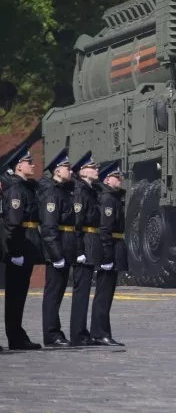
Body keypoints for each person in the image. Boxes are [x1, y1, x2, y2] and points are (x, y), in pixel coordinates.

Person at [1, 144, 43, 350]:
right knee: (15, 296)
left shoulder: (26, 187)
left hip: (25, 246)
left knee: (19, 296)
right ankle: (15, 336)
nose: (33, 165)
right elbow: (12, 224)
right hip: (18, 247)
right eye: (29, 162)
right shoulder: (16, 190)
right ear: (18, 167)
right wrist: (14, 252)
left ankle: (17, 335)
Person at [39, 147, 75, 347]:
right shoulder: (52, 194)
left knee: (58, 293)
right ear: (57, 170)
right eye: (66, 167)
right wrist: (56, 255)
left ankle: (55, 332)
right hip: (57, 250)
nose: (70, 170)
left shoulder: (63, 192)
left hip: (65, 248)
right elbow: (49, 227)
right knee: (53, 294)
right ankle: (51, 334)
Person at [91, 160, 128, 346]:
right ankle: (100, 333)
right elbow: (105, 229)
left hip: (114, 245)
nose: (119, 179)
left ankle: (101, 331)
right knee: (103, 294)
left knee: (107, 293)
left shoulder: (113, 197)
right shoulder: (107, 199)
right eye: (116, 176)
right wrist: (107, 256)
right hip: (109, 248)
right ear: (107, 180)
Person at [69, 151, 101, 346]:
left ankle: (81, 332)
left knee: (84, 291)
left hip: (90, 243)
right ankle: (77, 334)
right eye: (93, 167)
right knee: (81, 292)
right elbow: (77, 224)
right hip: (84, 246)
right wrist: (79, 251)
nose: (97, 170)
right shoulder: (80, 191)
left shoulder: (89, 189)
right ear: (82, 171)